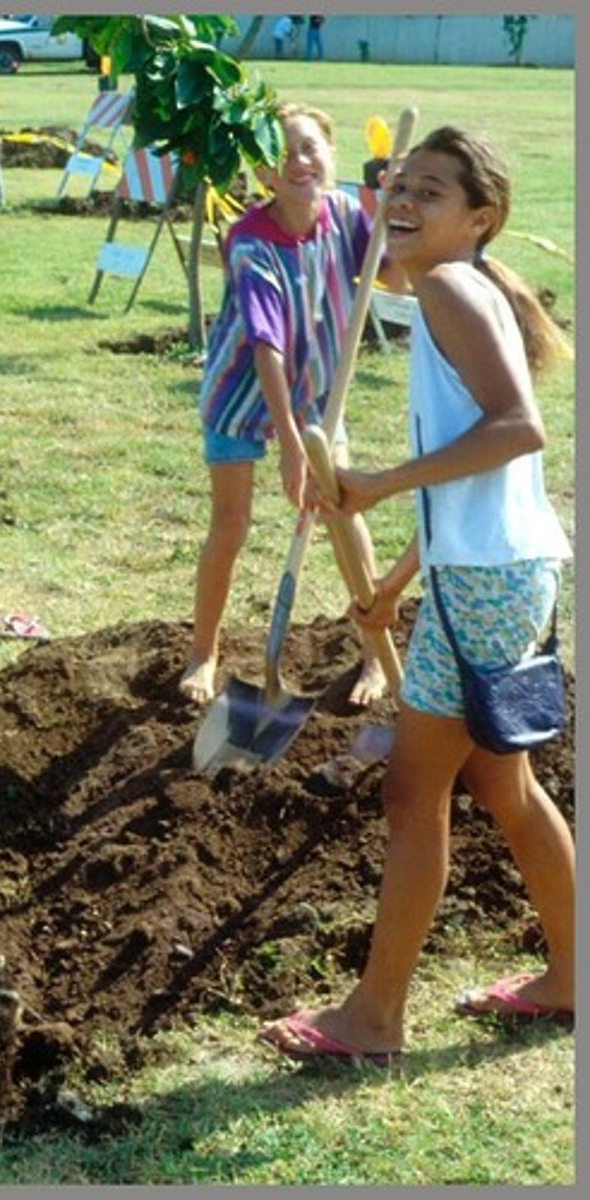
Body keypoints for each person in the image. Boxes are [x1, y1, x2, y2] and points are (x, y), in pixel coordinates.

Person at [260, 127, 574, 1064]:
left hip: (487, 582)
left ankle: (374, 1019)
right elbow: (476, 481)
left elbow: (517, 432)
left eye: (429, 191)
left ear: (478, 219)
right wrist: (398, 581)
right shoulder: (460, 288)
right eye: (397, 183)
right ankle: (573, 973)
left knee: (411, 790)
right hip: (496, 572)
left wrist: (377, 483)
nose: (402, 199)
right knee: (501, 783)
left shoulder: (447, 287)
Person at [180, 102, 405, 708]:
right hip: (242, 392)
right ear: (265, 177)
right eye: (281, 154)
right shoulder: (251, 239)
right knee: (230, 525)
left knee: (341, 514)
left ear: (331, 155)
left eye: (309, 147)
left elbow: (398, 277)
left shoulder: (346, 216)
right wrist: (290, 450)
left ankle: (374, 657)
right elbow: (267, 345)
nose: (299, 161)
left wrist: (396, 215)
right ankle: (204, 653)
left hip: (318, 396)